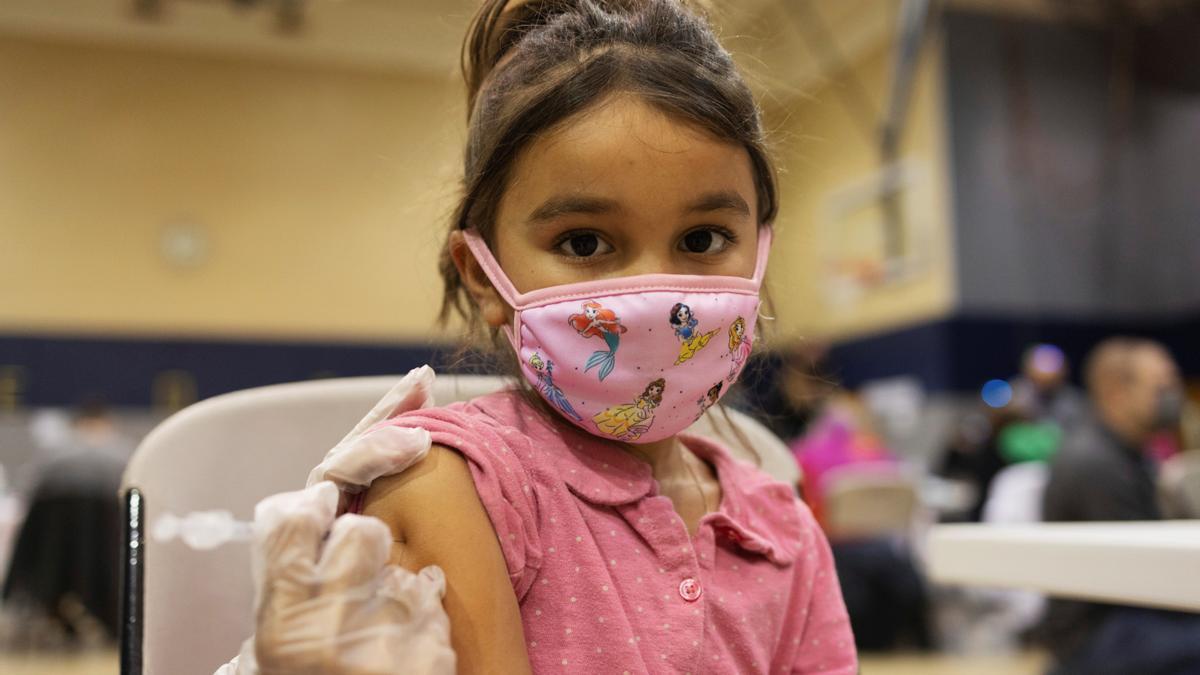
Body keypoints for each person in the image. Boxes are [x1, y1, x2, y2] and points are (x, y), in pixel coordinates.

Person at [234, 2, 857, 672]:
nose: (653, 289)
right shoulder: (455, 485)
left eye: (702, 238)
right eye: (584, 241)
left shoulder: (782, 530)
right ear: (482, 273)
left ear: (761, 251)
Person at [1039, 337, 1200, 675]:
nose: (1173, 393)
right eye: (1161, 384)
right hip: (1096, 633)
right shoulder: (1095, 463)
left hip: (1128, 618)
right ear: (1116, 393)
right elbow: (1146, 575)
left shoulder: (1132, 455)